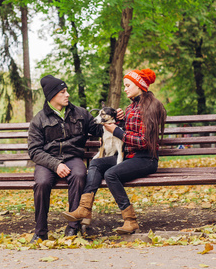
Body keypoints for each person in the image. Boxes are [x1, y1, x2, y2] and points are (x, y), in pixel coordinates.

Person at [62, 68, 167, 234]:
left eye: (127, 85)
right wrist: (120, 120)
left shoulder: (152, 107)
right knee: (96, 163)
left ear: (139, 85)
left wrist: (116, 131)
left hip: (146, 159)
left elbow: (144, 141)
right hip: (130, 156)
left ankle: (130, 220)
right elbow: (128, 130)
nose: (124, 89)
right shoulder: (131, 107)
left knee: (111, 174)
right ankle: (84, 209)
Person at [28, 75, 104, 242]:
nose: (67, 94)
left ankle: (72, 229)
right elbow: (34, 151)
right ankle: (40, 232)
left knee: (79, 175)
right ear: (52, 96)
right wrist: (55, 165)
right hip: (47, 161)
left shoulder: (81, 113)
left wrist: (115, 116)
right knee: (41, 183)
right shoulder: (39, 120)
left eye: (67, 91)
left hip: (72, 157)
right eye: (62, 92)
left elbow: (99, 130)